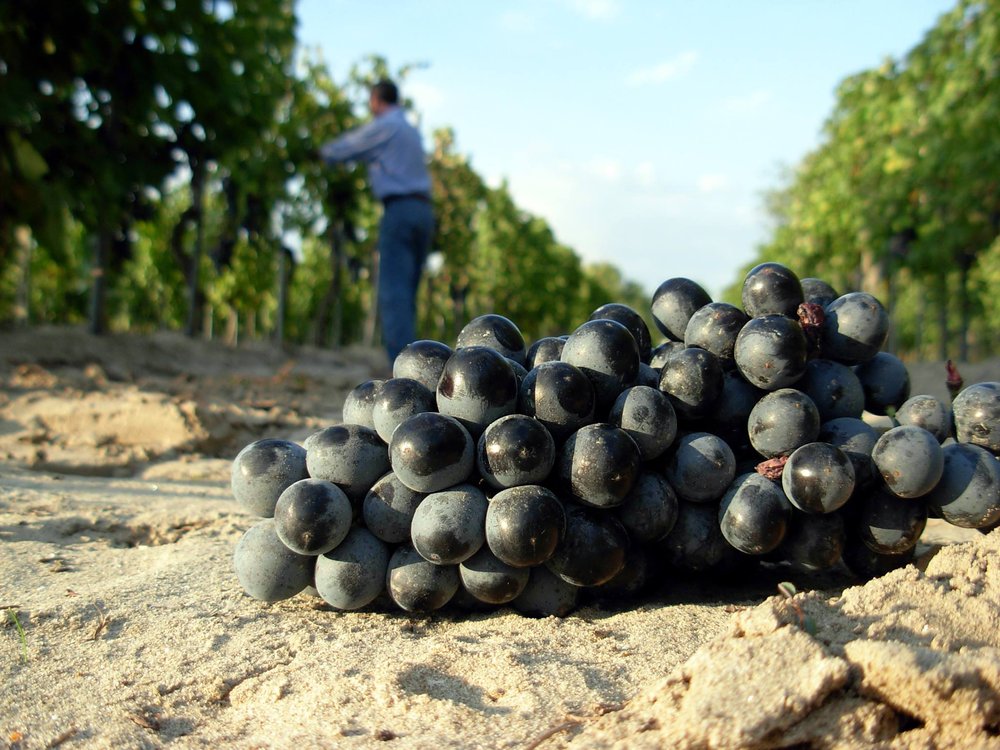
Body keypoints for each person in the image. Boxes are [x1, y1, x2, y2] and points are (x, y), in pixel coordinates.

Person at [318, 79, 435, 365]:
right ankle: (416, 361)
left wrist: (321, 153)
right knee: (407, 291)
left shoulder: (386, 125)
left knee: (394, 291)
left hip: (399, 210)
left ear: (376, 100)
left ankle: (404, 369)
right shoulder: (411, 130)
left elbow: (348, 147)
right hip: (423, 211)